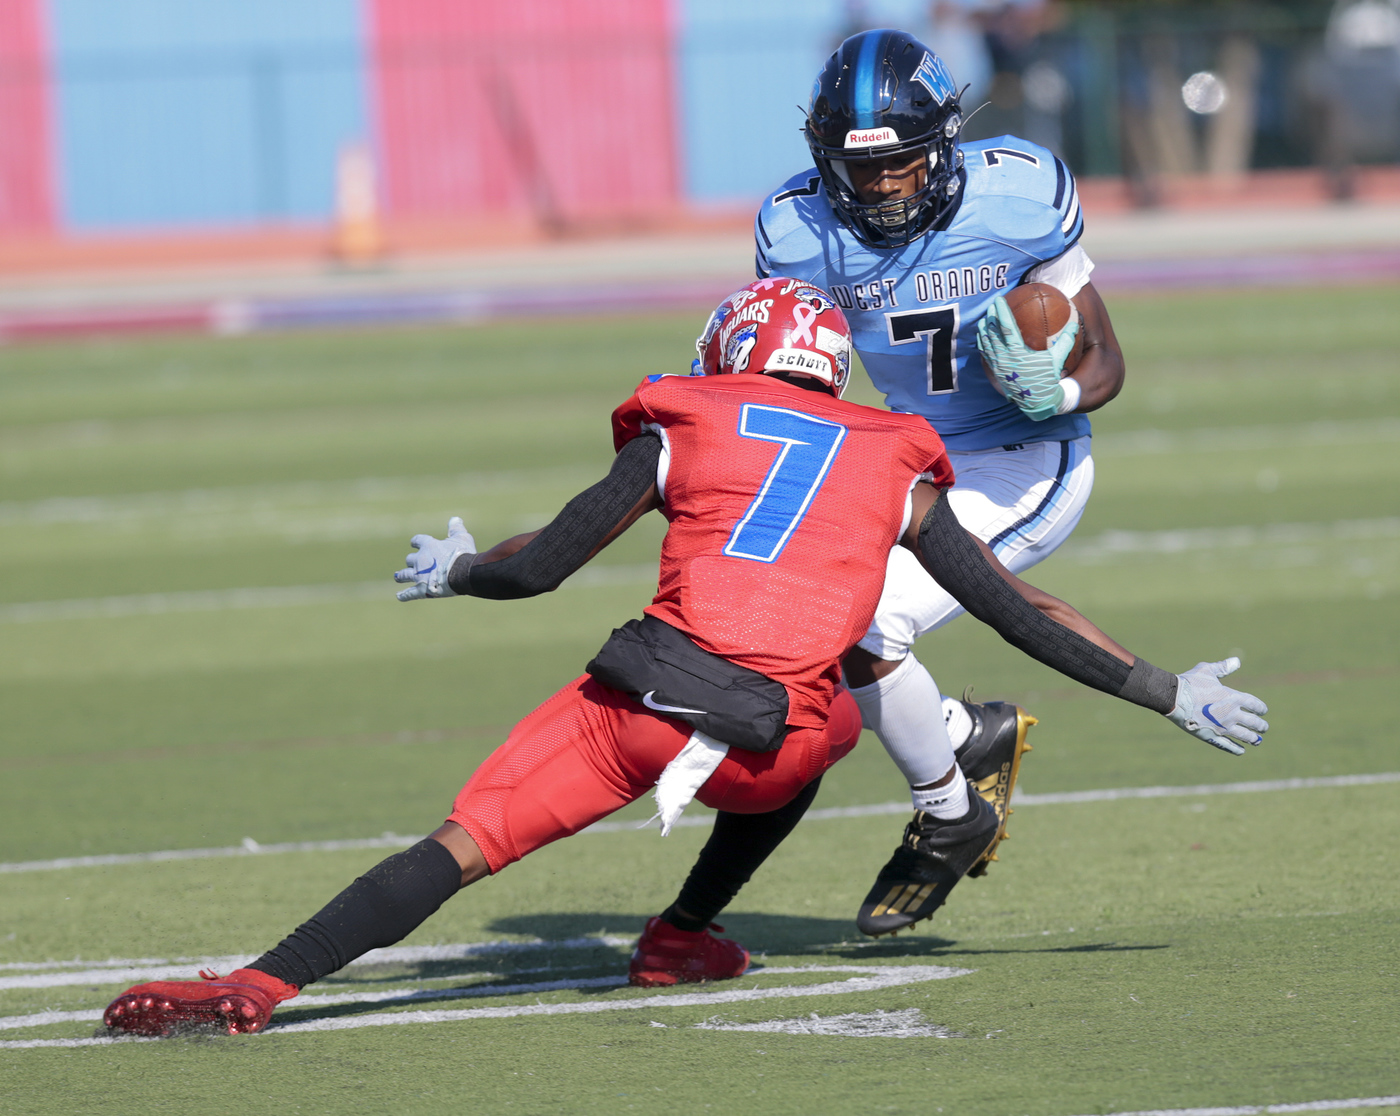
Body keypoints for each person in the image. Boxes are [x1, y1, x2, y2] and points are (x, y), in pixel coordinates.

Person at [102, 280, 1266, 1036]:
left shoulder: (685, 418)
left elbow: (538, 566)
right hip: (767, 740)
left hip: (630, 705)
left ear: (727, 354)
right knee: (838, 717)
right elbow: (1014, 612)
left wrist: (461, 570)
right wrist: (1163, 690)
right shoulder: (893, 460)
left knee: (458, 846)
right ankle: (678, 935)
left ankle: (264, 981)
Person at [752, 28, 1130, 934]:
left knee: (868, 625)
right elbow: (791, 375)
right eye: (859, 169)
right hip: (904, 461)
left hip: (1021, 458)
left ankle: (951, 817)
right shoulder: (795, 230)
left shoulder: (1018, 194)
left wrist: (1062, 385)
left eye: (902, 165)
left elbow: (1107, 356)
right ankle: (969, 742)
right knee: (798, 628)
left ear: (947, 140)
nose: (881, 187)